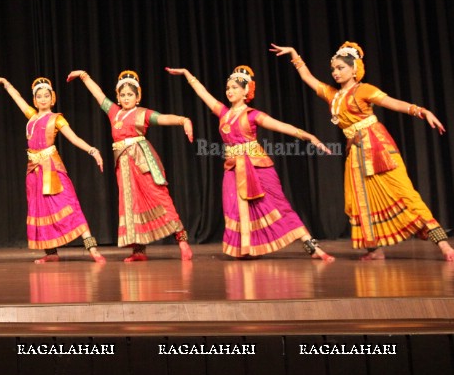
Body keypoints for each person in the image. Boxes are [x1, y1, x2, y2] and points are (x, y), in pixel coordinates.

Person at [271, 41, 454, 261]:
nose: (335, 72)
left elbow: (392, 103)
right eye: (333, 69)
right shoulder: (333, 95)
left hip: (377, 147)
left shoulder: (364, 89)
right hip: (355, 151)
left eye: (341, 68)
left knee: (406, 193)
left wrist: (422, 112)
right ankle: (374, 250)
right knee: (358, 199)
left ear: (354, 68)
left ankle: (443, 245)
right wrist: (294, 54)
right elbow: (308, 79)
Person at [166, 65, 334, 261]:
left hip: (257, 166)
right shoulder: (223, 113)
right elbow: (203, 93)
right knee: (233, 207)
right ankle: (246, 248)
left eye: (235, 87)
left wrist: (309, 136)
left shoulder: (253, 115)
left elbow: (282, 126)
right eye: (228, 88)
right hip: (232, 167)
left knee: (278, 204)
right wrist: (188, 74)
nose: (230, 91)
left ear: (246, 91)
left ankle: (311, 246)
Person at [67, 69, 194, 262]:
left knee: (160, 197)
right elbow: (98, 94)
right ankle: (139, 250)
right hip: (123, 166)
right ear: (118, 97)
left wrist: (183, 120)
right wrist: (85, 76)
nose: (126, 98)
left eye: (130, 95)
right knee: (130, 205)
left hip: (142, 162)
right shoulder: (114, 113)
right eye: (123, 95)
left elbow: (163, 118)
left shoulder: (142, 114)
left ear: (138, 96)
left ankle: (182, 241)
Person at [0, 76, 106, 263]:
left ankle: (92, 248)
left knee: (70, 205)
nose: (43, 99)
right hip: (34, 170)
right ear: (35, 100)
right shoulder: (32, 116)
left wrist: (93, 151)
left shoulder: (56, 119)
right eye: (39, 96)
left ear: (52, 98)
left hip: (52, 168)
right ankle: (51, 253)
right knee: (41, 210)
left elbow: (74, 138)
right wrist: (6, 83)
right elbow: (18, 98)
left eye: (46, 95)